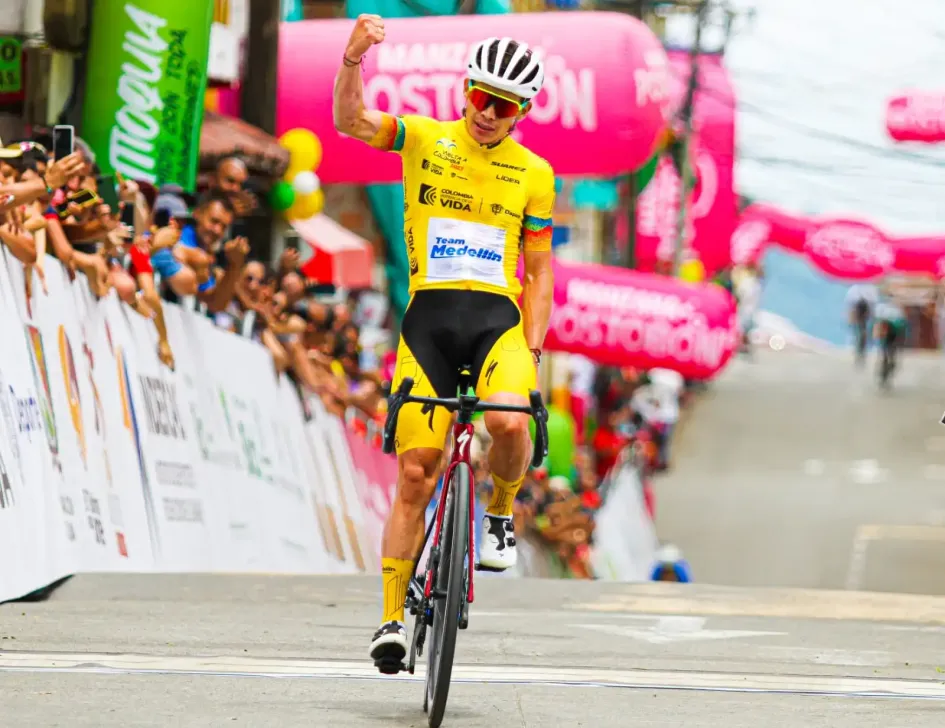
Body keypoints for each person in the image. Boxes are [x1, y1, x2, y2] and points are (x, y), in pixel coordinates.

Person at [334, 15, 556, 668]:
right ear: (464, 91)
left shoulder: (535, 174)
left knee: (510, 420)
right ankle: (388, 620)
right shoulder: (424, 138)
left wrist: (534, 352)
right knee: (413, 472)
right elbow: (352, 123)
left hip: (497, 328)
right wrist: (351, 61)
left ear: (521, 111)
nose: (487, 112)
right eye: (480, 97)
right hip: (428, 323)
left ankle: (498, 513)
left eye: (503, 105)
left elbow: (539, 273)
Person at [873, 291, 907, 387]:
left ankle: (887, 370)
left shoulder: (895, 309)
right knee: (887, 354)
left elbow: (901, 324)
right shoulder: (888, 309)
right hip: (887, 334)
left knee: (889, 354)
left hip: (892, 334)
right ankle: (884, 372)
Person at [845, 283, 878, 367]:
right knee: (861, 333)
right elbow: (873, 305)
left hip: (861, 315)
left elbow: (851, 307)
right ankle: (860, 351)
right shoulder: (870, 289)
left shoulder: (854, 290)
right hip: (863, 315)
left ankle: (860, 352)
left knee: (860, 333)